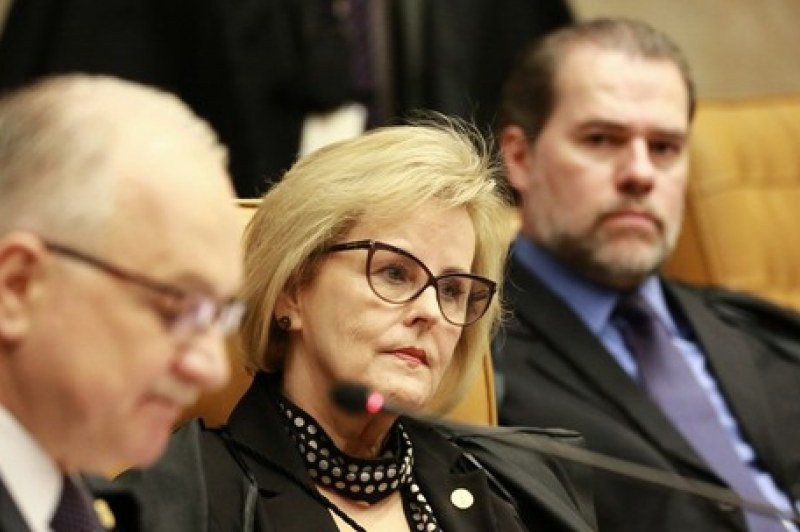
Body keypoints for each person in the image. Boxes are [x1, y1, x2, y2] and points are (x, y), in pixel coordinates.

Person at [116, 117, 597, 531]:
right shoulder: (176, 503)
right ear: (291, 290)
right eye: (394, 273)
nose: (431, 311)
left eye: (452, 289)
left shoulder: (521, 486)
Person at [494, 16, 800, 532]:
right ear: (520, 158)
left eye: (664, 148)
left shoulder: (764, 334)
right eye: (601, 139)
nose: (640, 173)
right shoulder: (475, 363)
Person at [0, 75, 244, 531]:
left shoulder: (86, 503)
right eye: (177, 308)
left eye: (219, 315)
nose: (214, 369)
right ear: (18, 287)